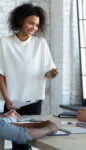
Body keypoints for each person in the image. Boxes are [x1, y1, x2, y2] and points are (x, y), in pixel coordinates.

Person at [0, 3, 58, 150]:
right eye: (31, 23)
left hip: (34, 99)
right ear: (20, 20)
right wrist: (7, 100)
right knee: (18, 142)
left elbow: (48, 72)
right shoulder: (4, 43)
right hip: (13, 101)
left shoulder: (41, 44)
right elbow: (0, 74)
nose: (34, 28)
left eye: (37, 25)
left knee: (30, 142)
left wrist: (52, 74)